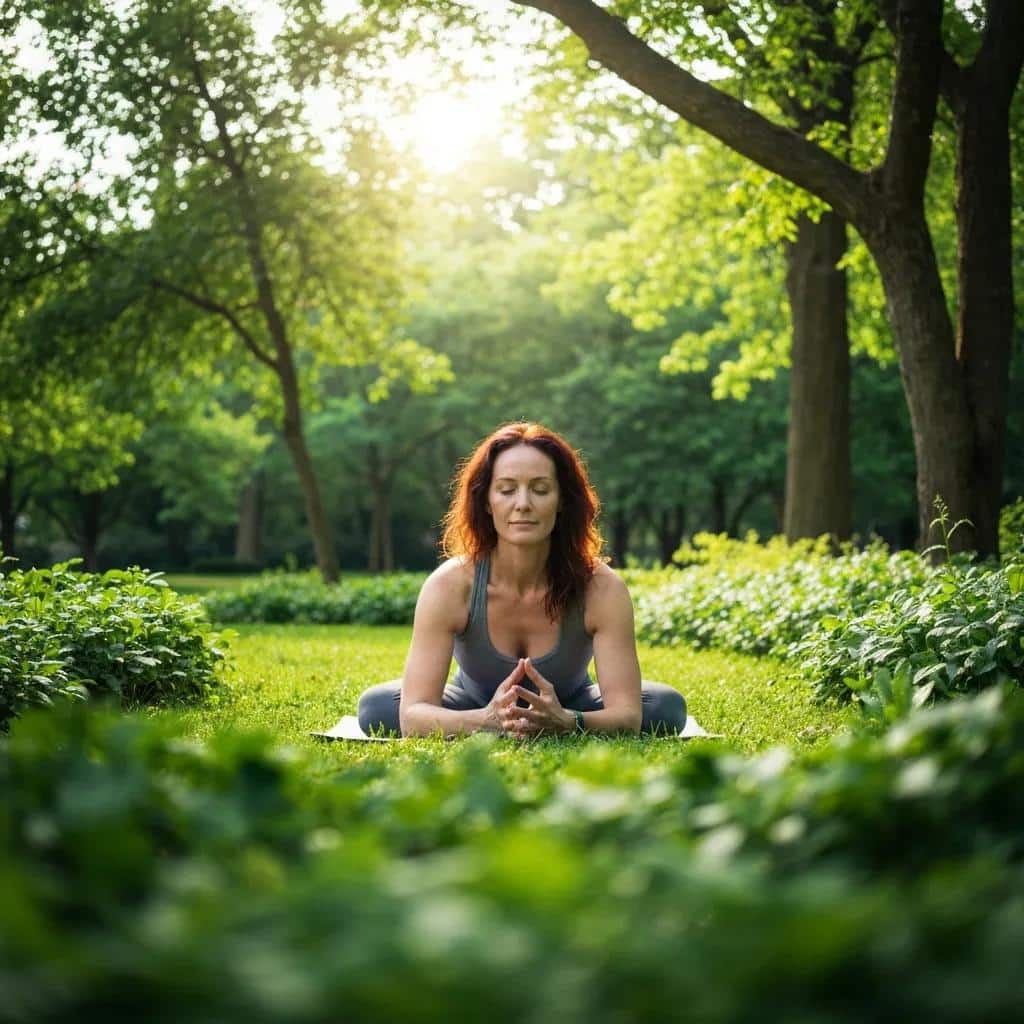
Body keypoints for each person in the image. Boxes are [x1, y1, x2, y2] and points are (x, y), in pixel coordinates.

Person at [356, 422, 687, 739]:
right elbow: (412, 715)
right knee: (377, 707)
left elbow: (627, 716)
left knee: (664, 706)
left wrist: (569, 722)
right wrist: (485, 721)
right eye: (507, 490)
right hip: (472, 704)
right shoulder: (450, 585)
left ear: (562, 501)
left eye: (540, 490)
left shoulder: (601, 587)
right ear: (487, 501)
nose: (523, 504)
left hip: (572, 704)